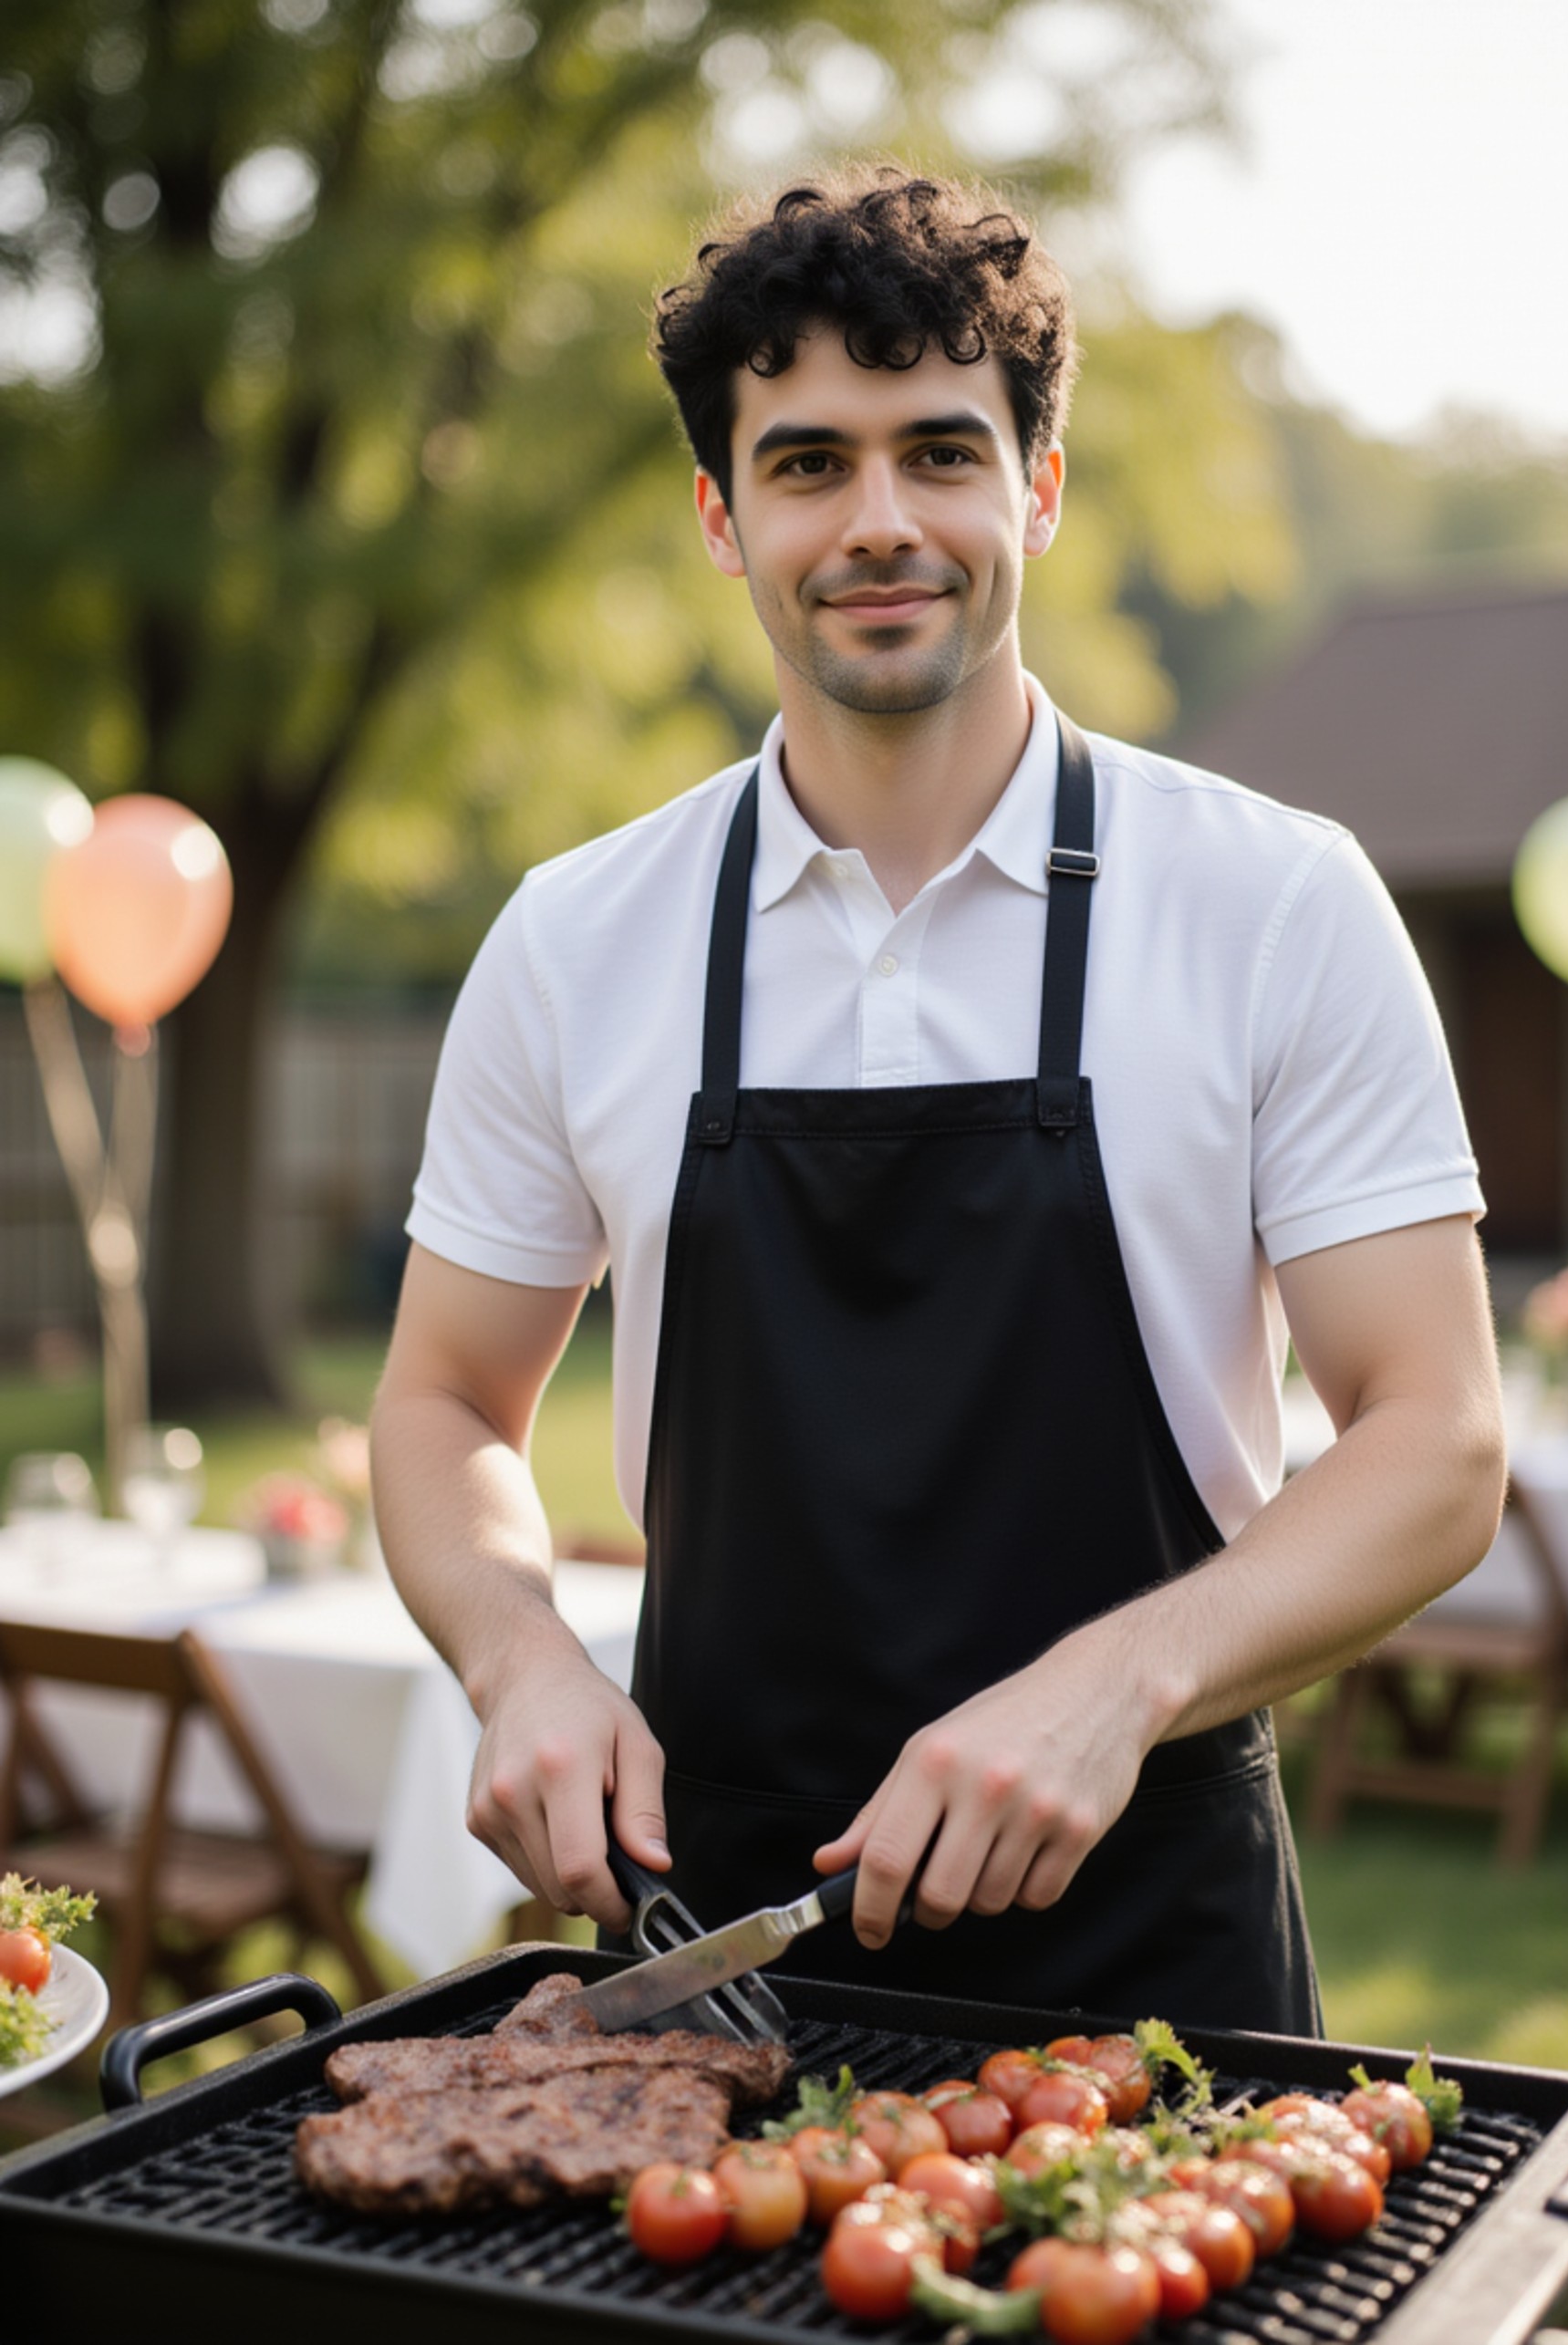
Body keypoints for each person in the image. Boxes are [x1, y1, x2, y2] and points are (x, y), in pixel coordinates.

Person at [372, 168, 1506, 2035]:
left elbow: (1438, 1437)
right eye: (808, 461)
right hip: (723, 1967)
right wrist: (517, 1656)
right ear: (722, 517)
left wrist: (1119, 1681)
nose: (879, 522)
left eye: (939, 452)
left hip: (1157, 1960)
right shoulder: (577, 937)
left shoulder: (1270, 899)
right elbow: (435, 1397)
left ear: (1037, 487)